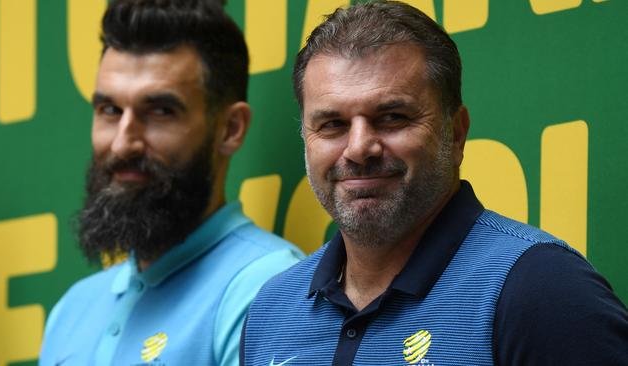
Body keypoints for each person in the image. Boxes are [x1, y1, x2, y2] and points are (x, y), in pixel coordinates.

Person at [241, 1, 628, 365]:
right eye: (333, 125)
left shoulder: (543, 290)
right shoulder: (270, 311)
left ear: (456, 133)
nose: (359, 148)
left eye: (392, 117)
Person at [39, 0, 303, 365]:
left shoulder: (269, 288)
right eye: (110, 111)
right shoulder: (70, 312)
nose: (123, 143)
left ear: (230, 128)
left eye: (161, 112)